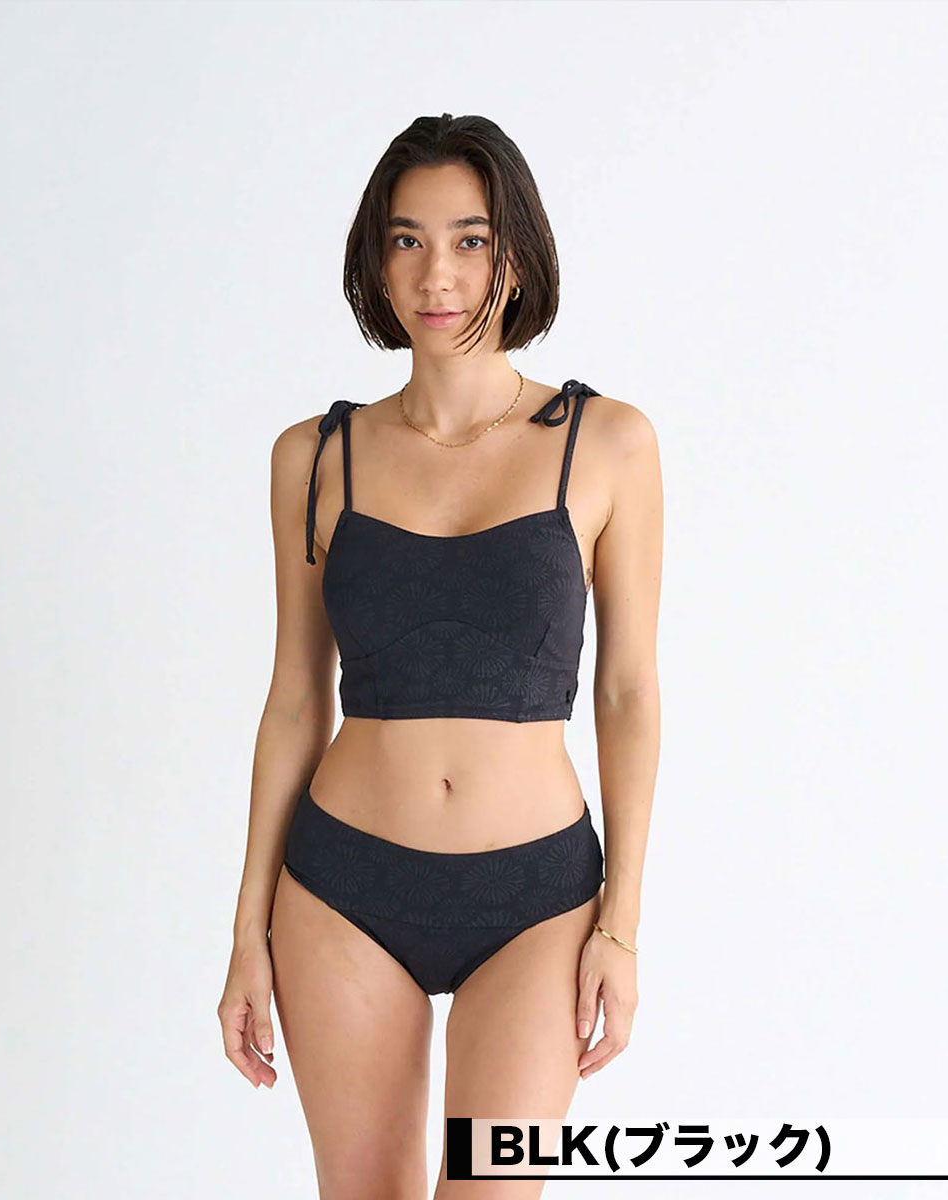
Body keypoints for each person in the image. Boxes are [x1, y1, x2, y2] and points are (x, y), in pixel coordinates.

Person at [219, 113, 663, 1199]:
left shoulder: (608, 442)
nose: (438, 274)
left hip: (539, 898)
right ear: (376, 260)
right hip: (341, 887)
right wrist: (246, 929)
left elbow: (627, 691)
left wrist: (621, 927)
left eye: (471, 239)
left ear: (517, 253)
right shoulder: (313, 456)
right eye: (407, 240)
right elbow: (294, 699)